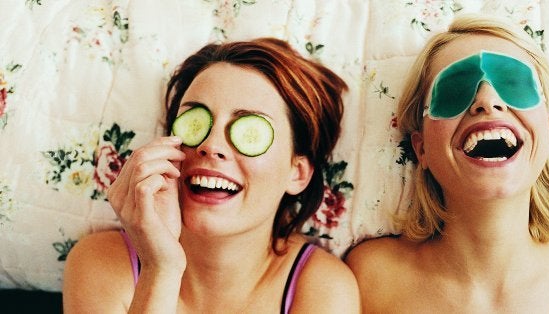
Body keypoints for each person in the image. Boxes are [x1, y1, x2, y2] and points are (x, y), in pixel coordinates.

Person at [346, 14, 549, 313]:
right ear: (422, 148)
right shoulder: (369, 279)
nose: (487, 100)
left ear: (547, 132)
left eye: (513, 84)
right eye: (455, 89)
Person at [63, 38, 360, 313]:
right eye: (196, 123)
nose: (210, 145)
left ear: (297, 174)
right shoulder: (101, 262)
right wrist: (160, 269)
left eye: (249, 131)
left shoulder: (323, 288)